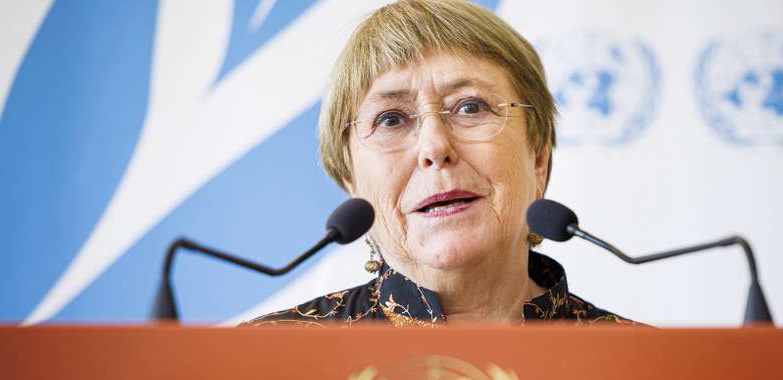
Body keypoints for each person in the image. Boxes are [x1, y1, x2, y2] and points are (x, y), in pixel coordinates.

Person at [248, 0, 639, 327]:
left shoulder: (652, 369)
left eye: (470, 107)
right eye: (391, 119)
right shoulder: (261, 362)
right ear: (352, 182)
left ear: (538, 159)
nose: (435, 146)